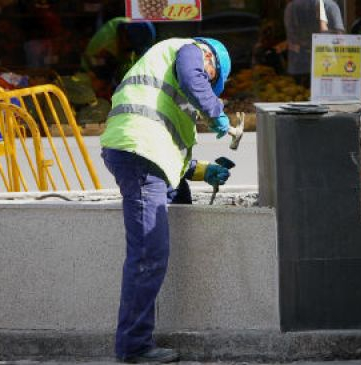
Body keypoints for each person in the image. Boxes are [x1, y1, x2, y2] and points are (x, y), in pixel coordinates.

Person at [99, 37, 233, 363]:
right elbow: (192, 76)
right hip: (139, 154)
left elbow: (168, 148)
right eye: (211, 77)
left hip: (140, 154)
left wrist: (204, 171)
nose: (205, 80)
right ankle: (134, 347)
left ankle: (135, 342)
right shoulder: (187, 50)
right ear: (211, 59)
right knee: (148, 254)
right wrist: (214, 110)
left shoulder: (166, 87)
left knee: (152, 249)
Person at [81, 17, 156, 99]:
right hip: (91, 73)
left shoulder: (131, 29)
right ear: (125, 36)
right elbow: (98, 73)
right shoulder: (104, 43)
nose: (131, 51)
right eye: (130, 47)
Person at [284, 0, 345, 86]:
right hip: (324, 64)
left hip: (302, 64)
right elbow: (340, 38)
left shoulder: (292, 7)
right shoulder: (331, 6)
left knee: (300, 93)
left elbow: (292, 39)